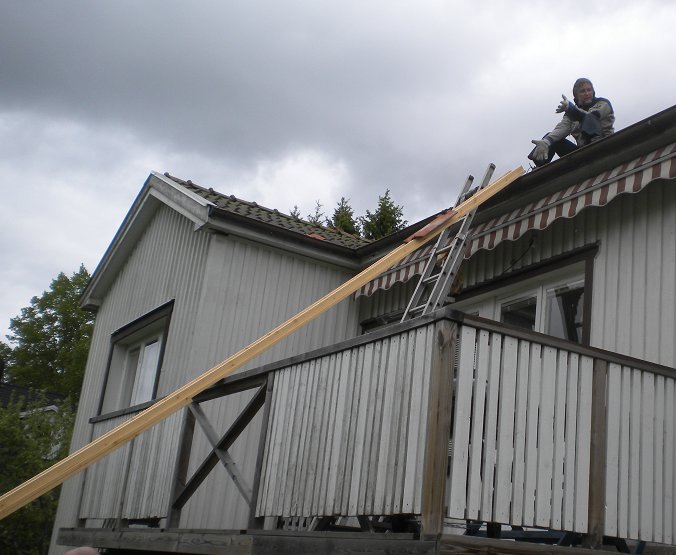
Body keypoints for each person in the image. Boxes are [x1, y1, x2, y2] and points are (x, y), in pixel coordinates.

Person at [529, 78, 614, 167]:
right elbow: (562, 128)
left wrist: (571, 109)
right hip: (583, 154)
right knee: (550, 138)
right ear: (576, 96)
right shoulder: (570, 113)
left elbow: (591, 119)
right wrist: (546, 142)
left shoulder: (603, 104)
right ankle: (540, 171)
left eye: (589, 90)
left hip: (603, 148)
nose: (587, 93)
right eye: (582, 91)